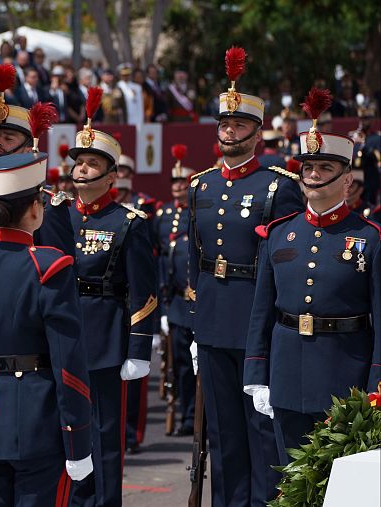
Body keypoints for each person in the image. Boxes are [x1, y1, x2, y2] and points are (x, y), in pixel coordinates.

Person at [0, 149, 93, 505]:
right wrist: (78, 439)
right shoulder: (49, 270)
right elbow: (69, 365)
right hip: (37, 422)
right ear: (35, 208)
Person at [187, 47, 303, 507]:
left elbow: (286, 264)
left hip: (257, 322)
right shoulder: (201, 185)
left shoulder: (279, 185)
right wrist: (197, 325)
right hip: (214, 320)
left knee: (261, 431)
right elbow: (196, 257)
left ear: (258, 133)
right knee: (222, 432)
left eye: (238, 126)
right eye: (223, 124)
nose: (228, 131)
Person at [244, 91, 381, 463]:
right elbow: (262, 310)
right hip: (287, 373)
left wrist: (376, 385)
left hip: (345, 379)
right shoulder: (278, 233)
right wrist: (257, 370)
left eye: (324, 168)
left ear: (346, 179)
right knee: (290, 482)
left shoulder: (370, 238)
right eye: (307, 168)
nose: (314, 176)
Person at [66, 91, 156, 506]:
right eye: (78, 163)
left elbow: (143, 291)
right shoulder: (54, 215)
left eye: (91, 164)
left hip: (105, 338)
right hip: (62, 335)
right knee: (64, 432)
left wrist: (138, 349)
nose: (81, 170)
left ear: (110, 175)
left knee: (103, 436)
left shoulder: (128, 222)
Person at [154, 145, 196, 436]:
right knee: (181, 365)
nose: (178, 187)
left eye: (183, 183)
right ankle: (187, 414)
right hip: (179, 305)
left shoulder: (198, 216)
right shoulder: (163, 214)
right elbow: (160, 260)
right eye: (175, 183)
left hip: (202, 306)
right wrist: (164, 309)